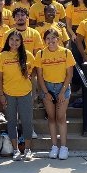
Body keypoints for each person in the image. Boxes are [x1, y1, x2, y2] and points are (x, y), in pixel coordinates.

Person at [35, 29, 75, 160]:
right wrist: (45, 92)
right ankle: (54, 146)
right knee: (51, 118)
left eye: (53, 38)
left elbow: (69, 74)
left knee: (61, 117)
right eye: (48, 39)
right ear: (44, 40)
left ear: (58, 39)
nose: (51, 41)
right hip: (47, 87)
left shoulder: (66, 52)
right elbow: (39, 76)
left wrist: (62, 92)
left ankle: (63, 147)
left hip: (62, 87)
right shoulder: (40, 54)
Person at [0, 31, 35, 161]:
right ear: (7, 41)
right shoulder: (2, 56)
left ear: (21, 42)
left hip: (25, 93)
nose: (14, 42)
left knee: (27, 122)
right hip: (8, 94)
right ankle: (16, 149)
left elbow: (33, 71)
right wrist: (1, 94)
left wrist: (33, 88)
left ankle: (28, 150)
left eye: (17, 40)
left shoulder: (28, 55)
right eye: (11, 39)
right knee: (12, 122)